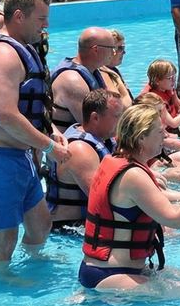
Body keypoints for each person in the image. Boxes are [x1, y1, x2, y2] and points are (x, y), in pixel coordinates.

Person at [0, 0, 71, 273]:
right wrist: (49, 147)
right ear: (19, 16)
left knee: (41, 224)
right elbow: (7, 116)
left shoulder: (21, 50)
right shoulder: (2, 54)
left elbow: (28, 107)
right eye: (41, 18)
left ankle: (31, 264)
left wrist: (49, 132)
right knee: (4, 238)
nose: (46, 25)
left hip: (17, 157)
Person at [79, 103, 180, 291]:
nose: (165, 137)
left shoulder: (117, 161)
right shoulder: (133, 175)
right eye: (159, 133)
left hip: (107, 268)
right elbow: (175, 220)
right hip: (107, 274)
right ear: (142, 138)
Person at [46, 89, 123, 232]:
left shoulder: (104, 140)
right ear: (95, 118)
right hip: (67, 232)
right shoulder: (80, 150)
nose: (122, 121)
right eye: (117, 116)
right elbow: (106, 199)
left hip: (81, 227)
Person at [49, 28, 113, 133]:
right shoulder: (73, 81)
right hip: (68, 145)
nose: (113, 53)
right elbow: (95, 127)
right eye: (111, 48)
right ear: (96, 49)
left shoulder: (92, 71)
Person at [99, 29, 134, 107]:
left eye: (123, 48)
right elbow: (123, 105)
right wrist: (118, 79)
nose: (124, 52)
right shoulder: (103, 73)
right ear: (110, 50)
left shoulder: (112, 69)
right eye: (120, 48)